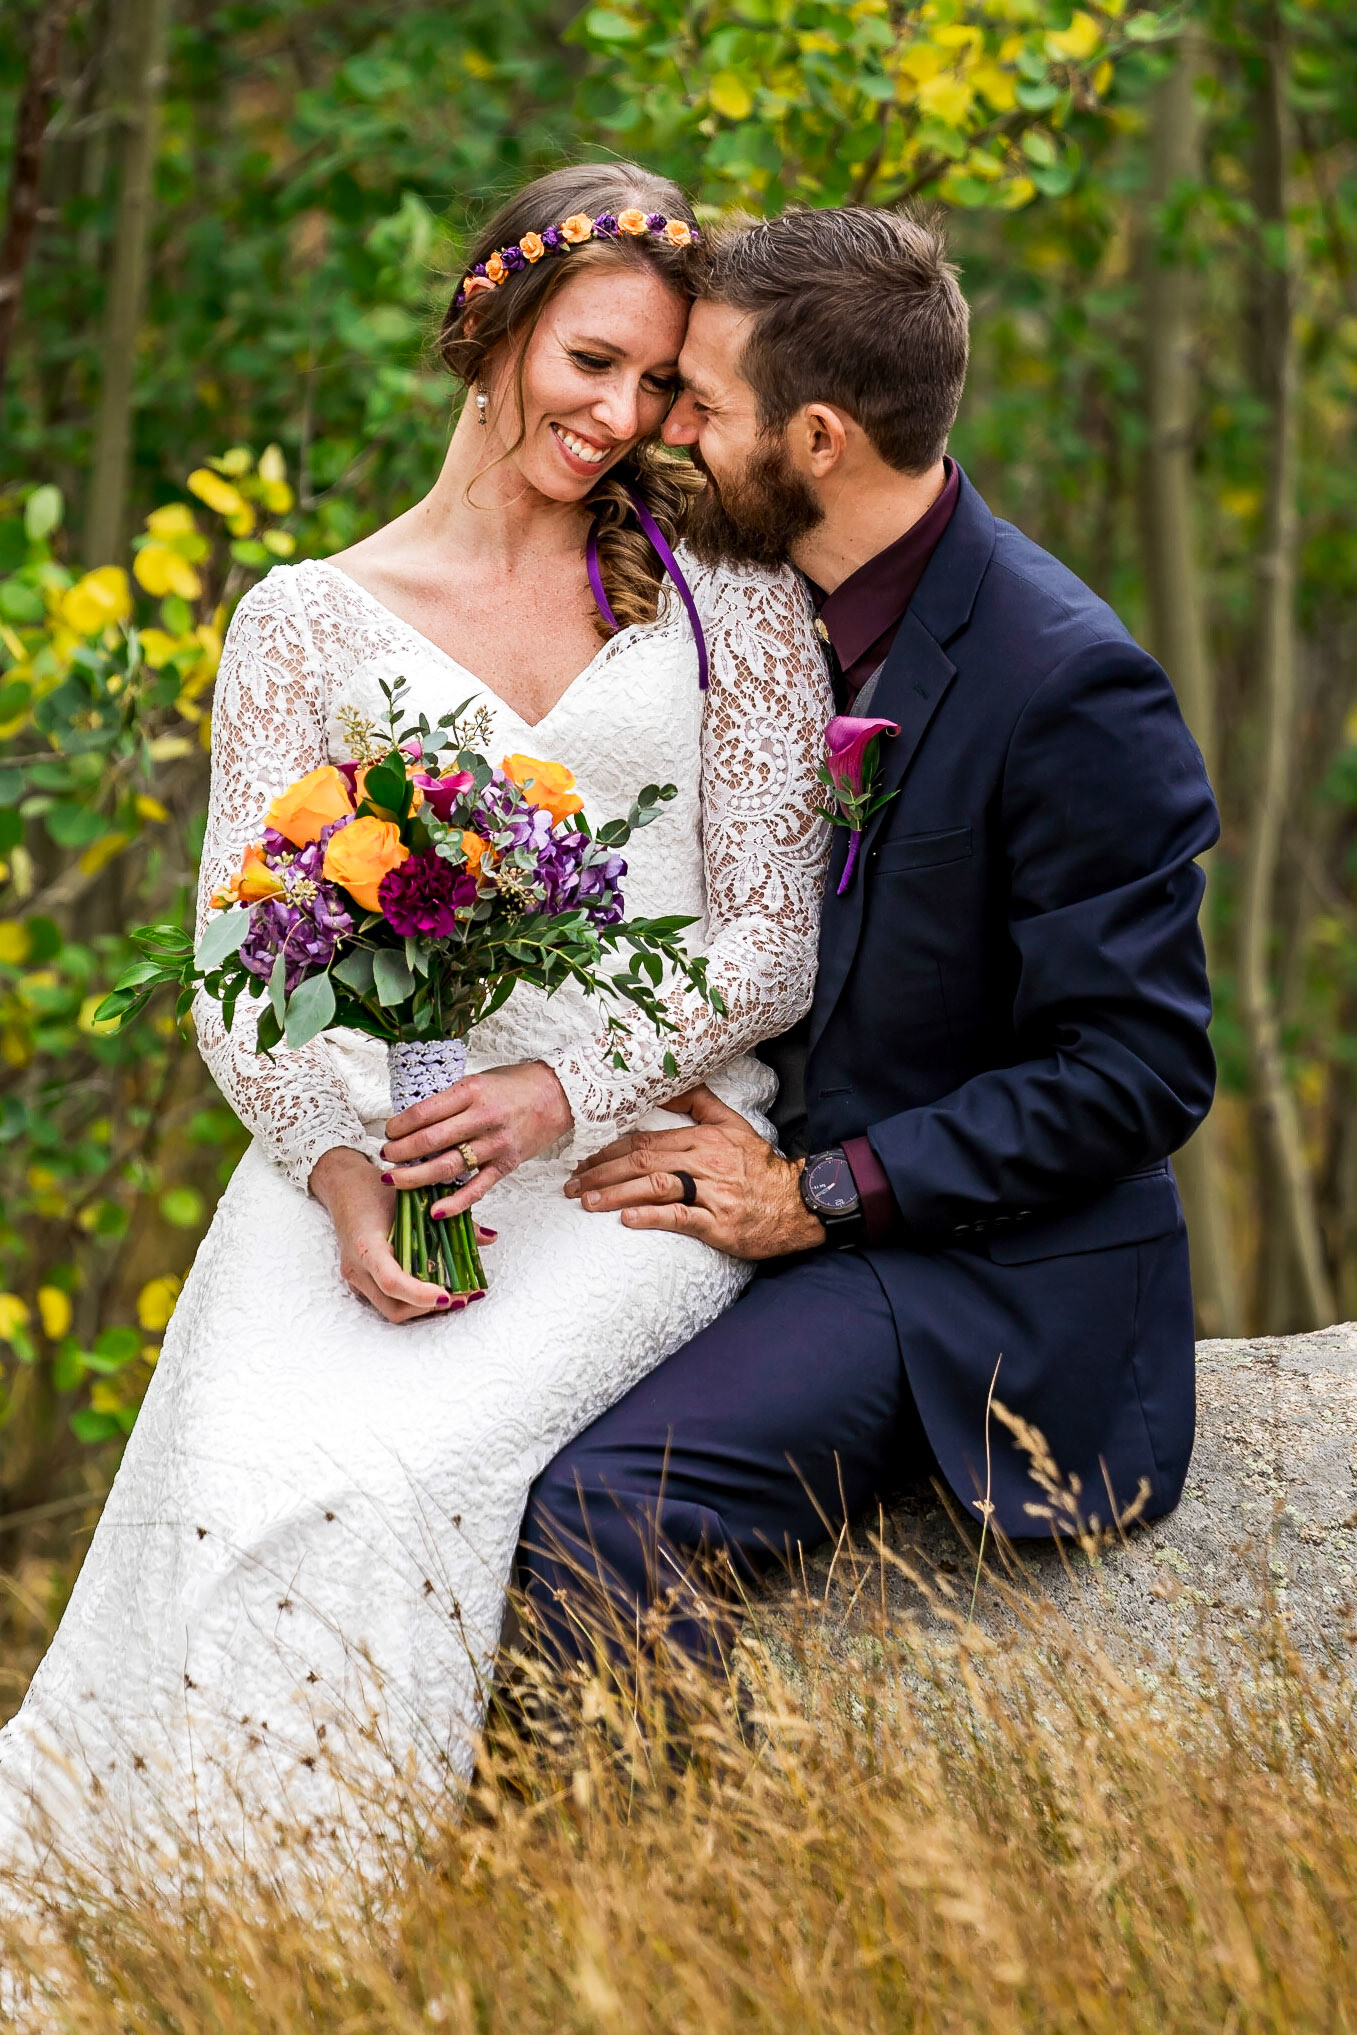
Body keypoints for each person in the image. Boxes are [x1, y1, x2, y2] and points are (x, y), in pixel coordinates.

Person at [0, 164, 831, 1879]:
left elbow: (774, 937)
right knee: (229, 1478)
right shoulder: (301, 618)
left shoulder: (726, 604)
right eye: (588, 361)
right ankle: (128, 1922)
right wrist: (332, 1167)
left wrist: (560, 1087)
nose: (616, 417)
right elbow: (245, 953)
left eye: (660, 388)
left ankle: (304, 1938)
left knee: (378, 1486)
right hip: (372, 1148)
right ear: (494, 323)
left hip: (629, 1155)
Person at [521, 206, 1221, 1670]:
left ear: (818, 438)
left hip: (961, 1270)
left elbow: (1136, 1070)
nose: (669, 435)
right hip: (732, 1173)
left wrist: (817, 1193)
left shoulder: (1067, 682)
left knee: (598, 1508)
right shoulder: (736, 602)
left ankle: (680, 1908)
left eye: (701, 406)